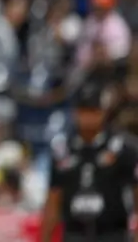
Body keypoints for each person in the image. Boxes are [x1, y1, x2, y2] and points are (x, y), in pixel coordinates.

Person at [41, 81, 138, 242]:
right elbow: (53, 201)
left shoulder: (123, 148)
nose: (88, 118)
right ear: (75, 113)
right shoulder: (62, 150)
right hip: (74, 235)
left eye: (93, 112)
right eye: (83, 112)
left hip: (112, 234)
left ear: (103, 112)